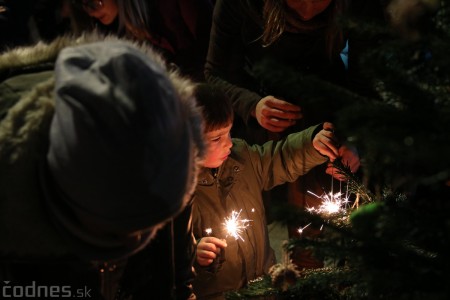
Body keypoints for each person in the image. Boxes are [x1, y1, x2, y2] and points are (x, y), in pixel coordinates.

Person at [0, 34, 204, 300]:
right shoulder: (13, 202)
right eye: (112, 233)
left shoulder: (159, 140)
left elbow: (160, 275)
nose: (134, 240)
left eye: (149, 225)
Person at [204, 0, 385, 269]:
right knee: (244, 235)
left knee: (318, 229)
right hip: (261, 130)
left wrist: (356, 138)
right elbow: (215, 73)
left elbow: (368, 82)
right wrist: (252, 105)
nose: (308, 9)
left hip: (328, 121)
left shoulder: (357, 7)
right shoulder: (240, 6)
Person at [190, 83, 359, 299]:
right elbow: (160, 256)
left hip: (264, 287)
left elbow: (280, 157)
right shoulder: (175, 192)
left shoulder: (242, 159)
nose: (229, 144)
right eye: (216, 138)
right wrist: (193, 253)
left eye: (229, 133)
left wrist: (312, 143)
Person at [69, 0, 213, 81]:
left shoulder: (170, 6)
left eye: (96, 3)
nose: (92, 12)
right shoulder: (118, 30)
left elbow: (211, 51)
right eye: (84, 5)